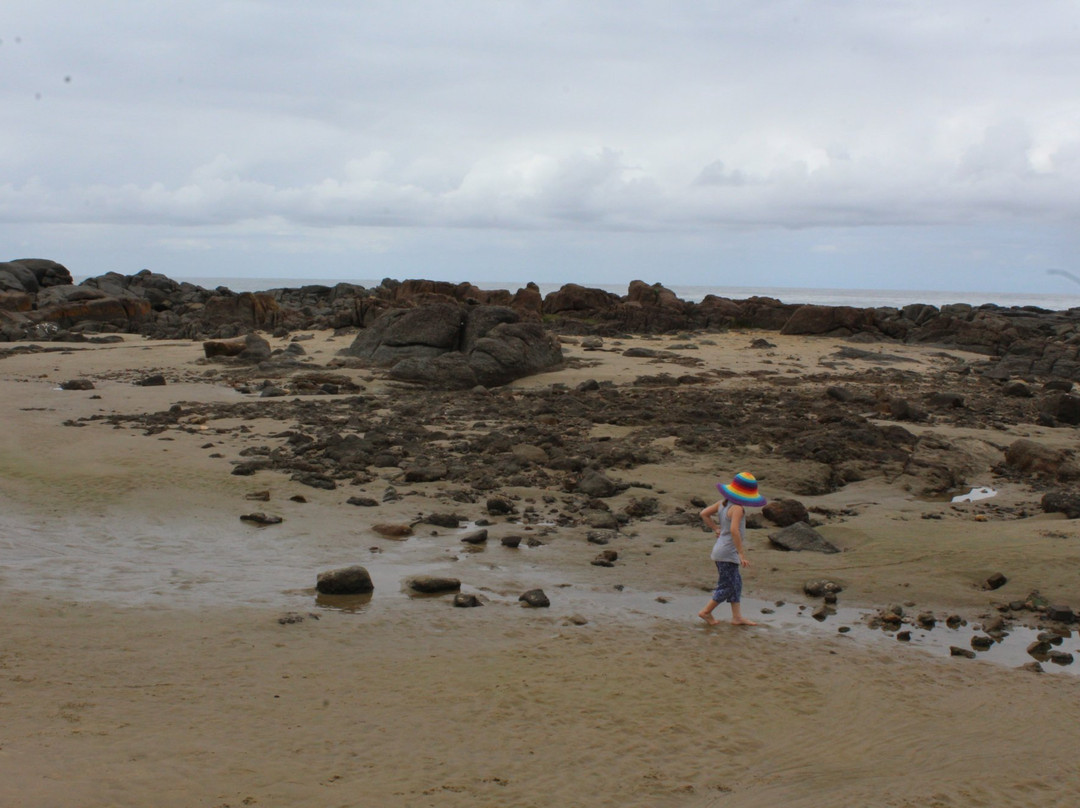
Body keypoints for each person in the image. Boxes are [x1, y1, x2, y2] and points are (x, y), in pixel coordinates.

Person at [698, 472, 766, 626]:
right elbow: (735, 530)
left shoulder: (722, 503)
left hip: (721, 550)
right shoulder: (737, 508)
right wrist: (741, 553)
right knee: (728, 585)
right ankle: (706, 612)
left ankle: (737, 617)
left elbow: (704, 514)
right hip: (728, 552)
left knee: (736, 583)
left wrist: (716, 528)